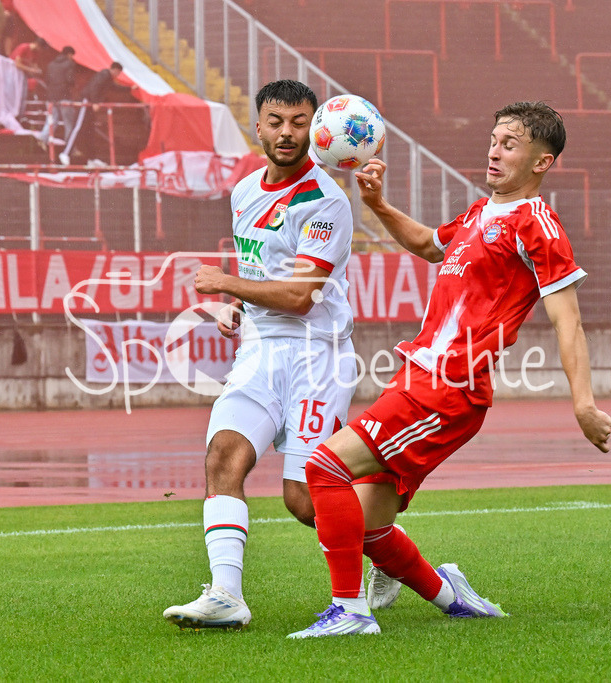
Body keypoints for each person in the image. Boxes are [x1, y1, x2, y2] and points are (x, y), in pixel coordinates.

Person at [286, 101, 611, 638]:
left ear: (542, 161)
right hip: (421, 379)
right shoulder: (478, 214)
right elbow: (425, 243)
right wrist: (378, 203)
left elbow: (568, 322)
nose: (494, 149)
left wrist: (583, 404)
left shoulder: (538, 226)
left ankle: (349, 612)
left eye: (510, 143)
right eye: (493, 138)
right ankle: (451, 595)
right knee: (369, 527)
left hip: (448, 388)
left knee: (324, 469)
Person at [162, 80, 358, 631]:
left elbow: (300, 297)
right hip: (259, 352)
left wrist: (225, 282)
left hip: (316, 356)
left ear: (316, 129)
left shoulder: (326, 201)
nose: (287, 133)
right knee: (224, 456)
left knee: (303, 500)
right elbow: (262, 277)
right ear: (259, 127)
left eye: (299, 122)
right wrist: (236, 307)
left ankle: (382, 542)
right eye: (276, 121)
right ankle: (227, 595)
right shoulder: (245, 192)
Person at [58, 61, 132, 167]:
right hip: (87, 102)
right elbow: (94, 87)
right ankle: (65, 153)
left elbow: (115, 88)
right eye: (118, 73)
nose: (118, 75)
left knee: (90, 131)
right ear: (116, 70)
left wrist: (130, 89)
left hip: (90, 104)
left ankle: (91, 159)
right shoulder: (104, 75)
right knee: (78, 127)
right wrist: (95, 102)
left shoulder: (107, 78)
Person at [37, 44, 76, 160]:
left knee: (52, 120)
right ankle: (70, 147)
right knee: (69, 122)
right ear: (69, 54)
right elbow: (70, 79)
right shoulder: (70, 63)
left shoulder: (51, 64)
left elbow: (47, 80)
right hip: (64, 95)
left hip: (50, 96)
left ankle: (42, 138)